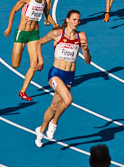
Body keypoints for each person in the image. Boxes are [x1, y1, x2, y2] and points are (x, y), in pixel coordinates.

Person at [34, 10, 91, 147]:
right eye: (74, 19)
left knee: (54, 106)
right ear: (67, 20)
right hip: (56, 73)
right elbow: (38, 43)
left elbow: (88, 61)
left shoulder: (81, 36)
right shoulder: (57, 33)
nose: (76, 22)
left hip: (70, 76)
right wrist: (41, 61)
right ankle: (53, 124)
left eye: (78, 20)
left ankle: (40, 132)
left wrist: (86, 50)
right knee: (68, 100)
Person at [4, 0, 57, 101]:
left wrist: (54, 24)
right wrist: (9, 27)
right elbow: (13, 10)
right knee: (15, 64)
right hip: (22, 34)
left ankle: (23, 91)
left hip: (34, 34)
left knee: (34, 63)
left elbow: (47, 15)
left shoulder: (43, 2)